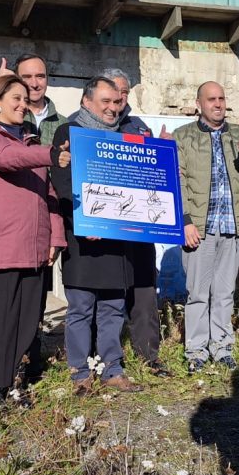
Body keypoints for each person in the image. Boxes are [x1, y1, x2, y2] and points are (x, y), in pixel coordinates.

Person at [0, 75, 70, 410]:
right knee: (0, 322)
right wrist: (49, 153)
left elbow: (49, 194)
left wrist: (55, 236)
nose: (23, 104)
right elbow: (5, 159)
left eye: (26, 100)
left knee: (28, 322)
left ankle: (12, 383)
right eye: (16, 97)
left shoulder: (30, 143)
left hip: (35, 248)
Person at [70, 68, 170, 377]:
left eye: (123, 94)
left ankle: (137, 357)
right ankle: (85, 364)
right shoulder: (76, 129)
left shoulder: (136, 127)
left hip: (133, 232)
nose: (118, 101)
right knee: (89, 304)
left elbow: (148, 177)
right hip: (95, 233)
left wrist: (162, 154)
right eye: (112, 96)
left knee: (133, 296)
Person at [50, 77, 143, 395]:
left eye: (116, 102)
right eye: (105, 101)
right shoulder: (68, 134)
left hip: (117, 240)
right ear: (86, 102)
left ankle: (112, 370)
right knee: (80, 309)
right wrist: (83, 223)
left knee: (114, 307)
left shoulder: (127, 138)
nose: (112, 107)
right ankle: (79, 374)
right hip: (83, 239)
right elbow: (61, 182)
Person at [174, 81, 239, 374]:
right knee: (198, 293)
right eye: (211, 99)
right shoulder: (183, 136)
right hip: (199, 227)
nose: (218, 103)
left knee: (225, 293)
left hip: (233, 227)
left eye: (222, 98)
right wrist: (185, 221)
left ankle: (222, 348)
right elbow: (178, 182)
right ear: (198, 103)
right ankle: (196, 351)